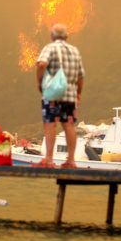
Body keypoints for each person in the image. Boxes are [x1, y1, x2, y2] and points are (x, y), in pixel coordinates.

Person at [35, 23, 84, 168]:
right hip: (69, 96)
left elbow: (42, 65)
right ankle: (71, 160)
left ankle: (49, 160)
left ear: (52, 36)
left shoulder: (49, 48)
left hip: (52, 94)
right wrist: (78, 93)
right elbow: (80, 76)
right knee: (68, 125)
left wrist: (39, 82)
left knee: (50, 124)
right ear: (66, 36)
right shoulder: (74, 51)